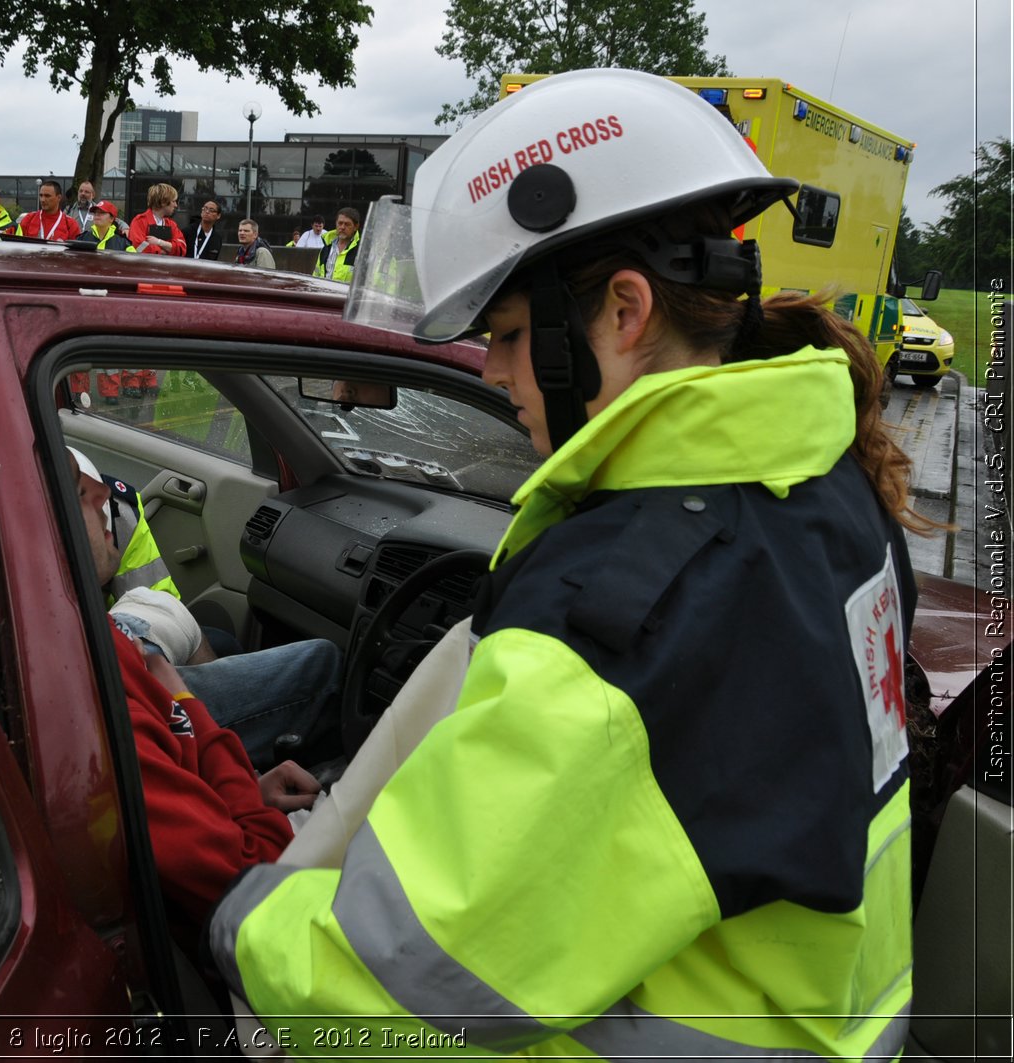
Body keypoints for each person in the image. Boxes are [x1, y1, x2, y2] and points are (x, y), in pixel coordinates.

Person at [211, 69, 920, 1059]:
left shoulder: (612, 619)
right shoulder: (831, 488)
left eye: (503, 336)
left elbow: (393, 983)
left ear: (625, 313)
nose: (494, 377)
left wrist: (246, 928)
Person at [67, 450, 319, 922]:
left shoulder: (86, 640)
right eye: (80, 493)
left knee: (217, 635)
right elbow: (252, 872)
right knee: (321, 661)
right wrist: (185, 702)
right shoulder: (95, 691)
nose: (103, 493)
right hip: (252, 899)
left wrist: (240, 793)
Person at [11, 179, 81, 241]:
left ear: (59, 197)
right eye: (41, 195)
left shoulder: (70, 224)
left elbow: (76, 252)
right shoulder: (28, 219)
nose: (42, 200)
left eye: (47, 196)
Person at [128, 182, 186, 255]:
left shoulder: (172, 224)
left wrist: (160, 242)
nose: (176, 205)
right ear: (163, 202)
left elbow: (182, 248)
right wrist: (164, 251)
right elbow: (139, 247)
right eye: (173, 201)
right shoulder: (139, 221)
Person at [311, 207, 360, 282]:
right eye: (340, 223)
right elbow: (315, 277)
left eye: (347, 224)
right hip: (324, 293)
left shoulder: (361, 251)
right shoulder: (325, 249)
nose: (342, 227)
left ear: (356, 227)